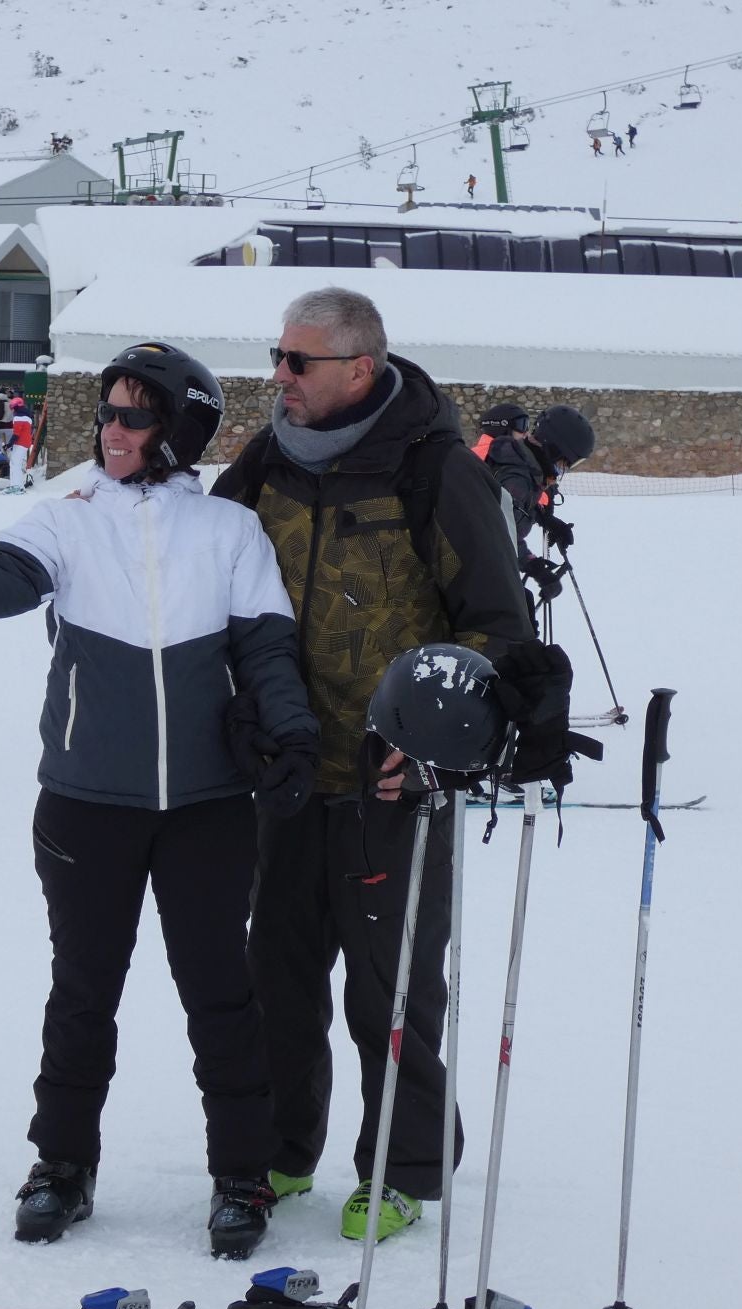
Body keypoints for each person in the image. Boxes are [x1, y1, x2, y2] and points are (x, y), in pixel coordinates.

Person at [0, 342, 320, 1260]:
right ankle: (62, 1165)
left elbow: (269, 654)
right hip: (88, 803)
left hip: (209, 807)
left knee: (221, 996)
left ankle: (241, 1173)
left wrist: (292, 741)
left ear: (178, 429)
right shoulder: (65, 522)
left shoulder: (230, 534)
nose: (112, 430)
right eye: (109, 412)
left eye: (134, 415)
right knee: (84, 993)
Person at [210, 287, 532, 1243]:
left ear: (359, 368)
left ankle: (401, 1165)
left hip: (393, 781)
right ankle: (281, 1145)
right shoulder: (264, 462)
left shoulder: (435, 469)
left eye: (297, 361)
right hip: (285, 773)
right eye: (276, 355)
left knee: (390, 987)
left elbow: (496, 628)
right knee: (279, 971)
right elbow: (206, 582)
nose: (278, 376)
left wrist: (436, 750)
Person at [489, 405, 597, 615]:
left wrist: (545, 519)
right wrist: (535, 568)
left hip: (485, 568)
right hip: (473, 570)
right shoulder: (517, 477)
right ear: (554, 449)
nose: (563, 469)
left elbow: (511, 509)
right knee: (517, 620)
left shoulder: (523, 466)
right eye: (565, 462)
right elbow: (500, 535)